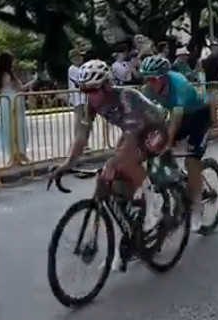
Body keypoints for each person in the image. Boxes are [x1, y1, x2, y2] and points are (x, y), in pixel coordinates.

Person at [53, 60, 168, 269]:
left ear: (106, 86)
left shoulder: (126, 97)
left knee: (123, 162)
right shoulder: (91, 104)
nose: (90, 95)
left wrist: (114, 162)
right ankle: (131, 229)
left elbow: (133, 140)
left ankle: (155, 201)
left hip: (155, 128)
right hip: (132, 131)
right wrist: (68, 163)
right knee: (108, 182)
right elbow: (82, 136)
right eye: (84, 90)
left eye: (93, 90)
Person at [140, 55, 213, 233]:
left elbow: (175, 121)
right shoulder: (147, 89)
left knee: (192, 161)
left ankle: (196, 208)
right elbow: (141, 117)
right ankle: (178, 181)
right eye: (147, 78)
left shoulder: (178, 82)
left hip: (199, 116)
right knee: (157, 148)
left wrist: (166, 144)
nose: (150, 82)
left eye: (154, 79)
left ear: (164, 76)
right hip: (179, 116)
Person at [0, 51, 37, 164]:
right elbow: (19, 88)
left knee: (9, 129)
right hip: (13, 102)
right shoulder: (8, 75)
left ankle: (14, 155)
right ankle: (18, 154)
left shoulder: (0, 75)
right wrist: (32, 81)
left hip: (6, 103)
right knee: (17, 128)